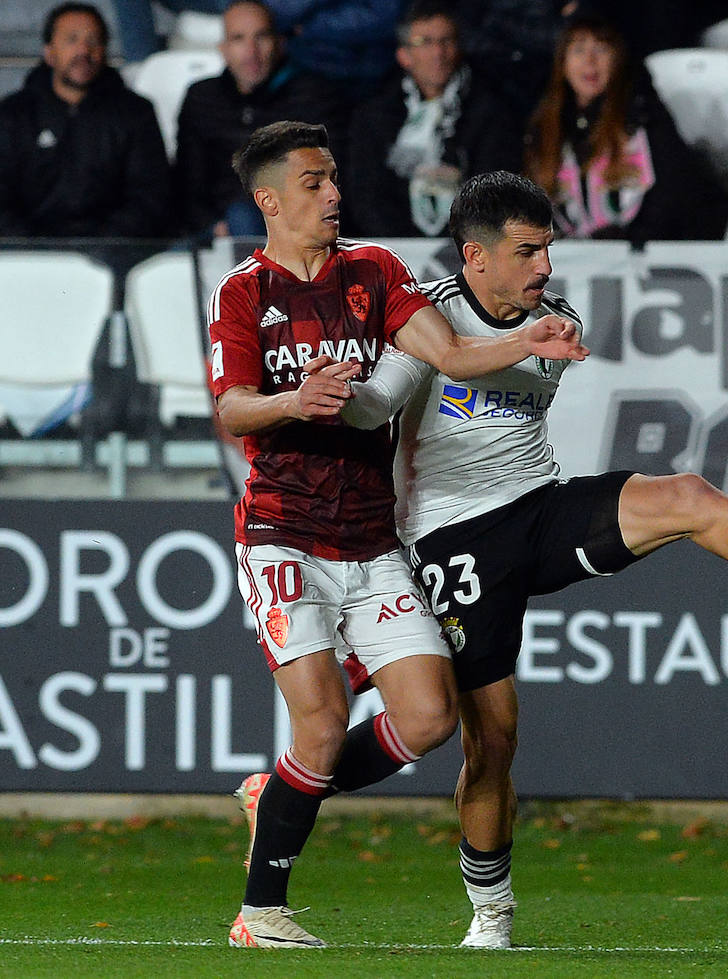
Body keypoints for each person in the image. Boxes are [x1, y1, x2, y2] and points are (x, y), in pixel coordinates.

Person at [337, 170, 728, 949]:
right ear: (475, 257)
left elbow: (498, 364)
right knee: (493, 737)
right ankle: (449, 883)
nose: (546, 267)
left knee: (684, 494)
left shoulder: (554, 318)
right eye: (528, 251)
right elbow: (386, 398)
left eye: (547, 247)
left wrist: (522, 334)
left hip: (538, 506)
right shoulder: (427, 319)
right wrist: (322, 396)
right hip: (453, 540)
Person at [208, 121, 588, 949]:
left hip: (372, 539)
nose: (334, 193)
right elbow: (232, 405)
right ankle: (261, 911)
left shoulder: (375, 272)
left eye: (335, 177)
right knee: (319, 722)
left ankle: (274, 797)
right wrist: (289, 402)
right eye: (314, 182)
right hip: (282, 533)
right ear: (270, 199)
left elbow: (449, 352)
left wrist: (526, 337)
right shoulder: (243, 292)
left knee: (429, 716)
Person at [525, 12, 728, 243]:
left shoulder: (643, 117)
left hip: (645, 253)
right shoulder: (545, 127)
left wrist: (629, 242)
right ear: (562, 63)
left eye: (601, 49)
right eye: (578, 50)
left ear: (618, 59)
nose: (589, 61)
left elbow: (673, 192)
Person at [347, 0, 521, 238]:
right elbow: (366, 195)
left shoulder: (491, 109)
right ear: (404, 55)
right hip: (397, 247)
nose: (438, 53)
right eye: (425, 42)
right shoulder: (375, 114)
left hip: (469, 245)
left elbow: (496, 188)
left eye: (446, 41)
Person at [174, 0, 347, 238]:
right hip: (215, 234)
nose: (250, 51)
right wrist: (215, 227)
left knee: (244, 216)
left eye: (261, 37)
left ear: (280, 43)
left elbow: (328, 179)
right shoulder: (201, 98)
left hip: (298, 234)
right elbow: (187, 184)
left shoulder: (313, 95)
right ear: (223, 49)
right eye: (238, 39)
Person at [0, 2, 173, 237]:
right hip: (30, 256)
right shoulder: (13, 114)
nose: (83, 51)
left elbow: (149, 197)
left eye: (93, 41)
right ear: (49, 52)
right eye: (71, 40)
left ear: (104, 50)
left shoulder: (136, 112)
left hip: (115, 254)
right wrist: (36, 248)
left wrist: (101, 245)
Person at [263, 0, 406, 90]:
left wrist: (309, 27)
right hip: (299, 73)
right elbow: (275, 13)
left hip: (373, 75)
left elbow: (384, 17)